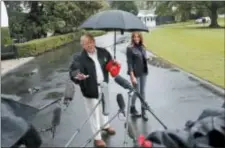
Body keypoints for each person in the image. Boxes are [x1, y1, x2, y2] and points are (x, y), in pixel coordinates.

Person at [69, 33, 117, 147]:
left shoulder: (103, 52)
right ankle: (97, 137)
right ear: (83, 45)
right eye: (86, 43)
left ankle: (105, 125)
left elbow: (109, 64)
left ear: (94, 42)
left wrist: (114, 64)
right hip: (90, 87)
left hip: (103, 85)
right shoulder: (79, 58)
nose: (90, 45)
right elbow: (73, 71)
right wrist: (78, 75)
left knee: (105, 107)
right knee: (94, 113)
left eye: (91, 42)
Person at [126, 32, 149, 121]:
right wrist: (132, 76)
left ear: (140, 37)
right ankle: (132, 108)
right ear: (132, 38)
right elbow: (129, 63)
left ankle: (143, 111)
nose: (136, 38)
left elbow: (143, 57)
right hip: (135, 73)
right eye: (134, 37)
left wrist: (146, 58)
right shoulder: (130, 48)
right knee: (137, 92)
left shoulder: (143, 46)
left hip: (144, 72)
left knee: (143, 91)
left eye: (138, 37)